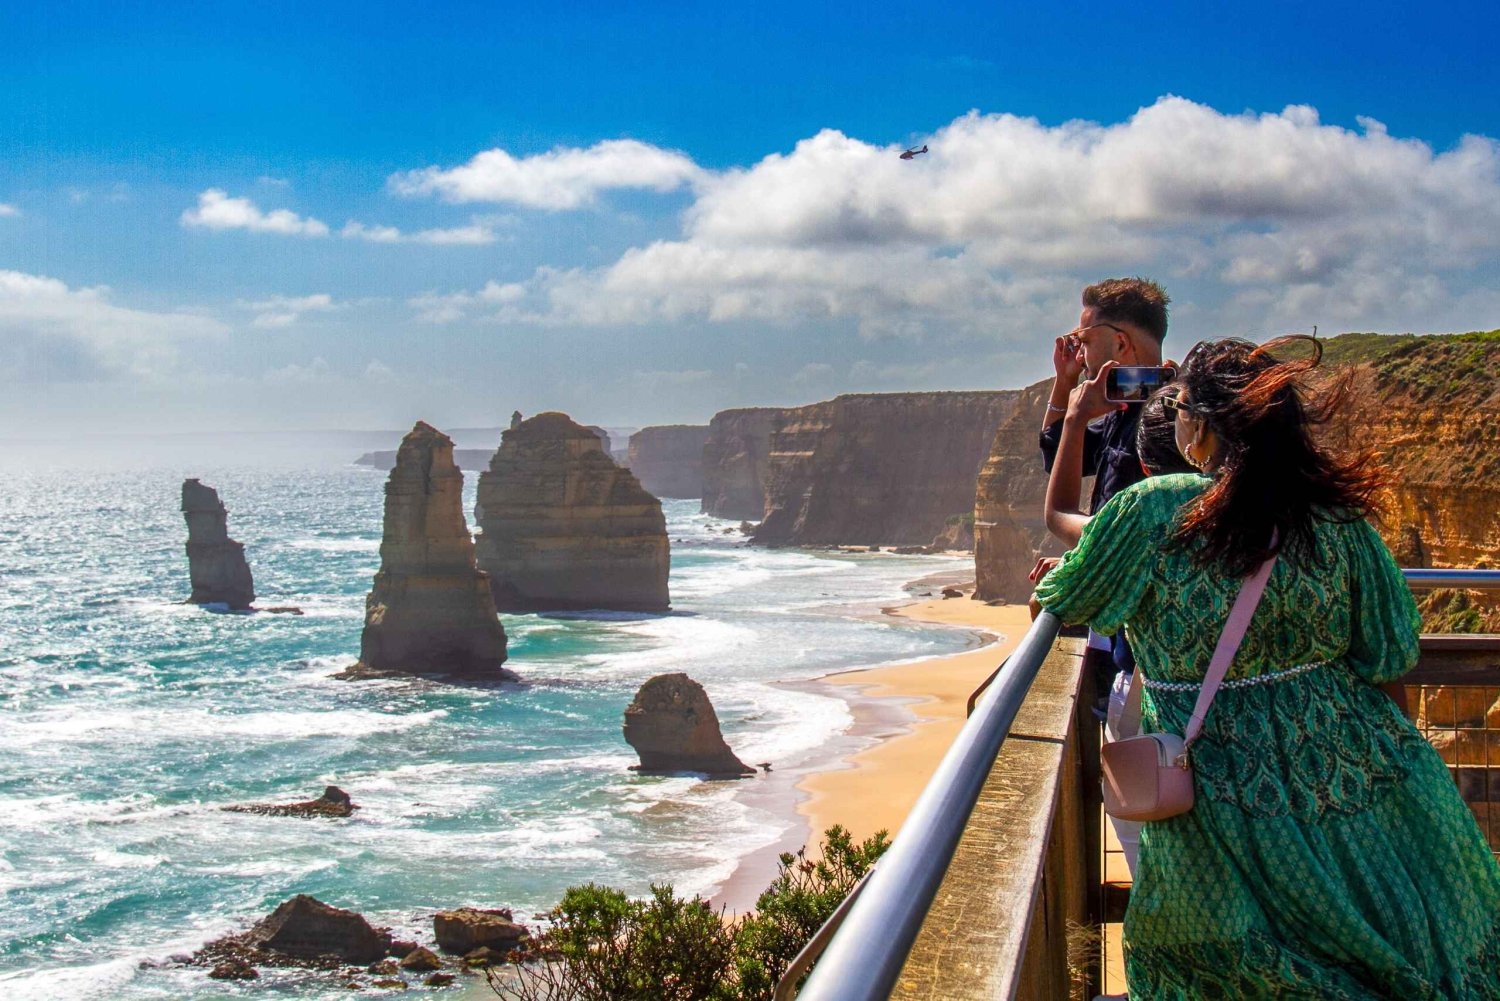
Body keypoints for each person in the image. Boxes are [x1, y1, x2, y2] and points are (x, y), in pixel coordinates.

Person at [1035, 335, 1500, 998]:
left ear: (1201, 429)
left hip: (1221, 798)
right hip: (1349, 783)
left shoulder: (1153, 510)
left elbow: (1067, 592)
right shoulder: (1337, 519)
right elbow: (1387, 655)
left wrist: (1075, 422)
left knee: (1229, 967)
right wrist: (1400, 781)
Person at [1032, 377, 1198, 878]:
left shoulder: (1146, 510)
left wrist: (1077, 417)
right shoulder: (1309, 512)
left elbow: (1062, 575)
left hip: (1167, 717)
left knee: (1155, 856)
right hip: (1272, 736)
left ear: (1144, 468)